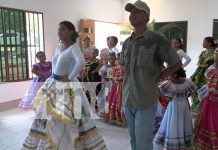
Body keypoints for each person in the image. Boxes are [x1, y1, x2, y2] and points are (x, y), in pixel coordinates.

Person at [22, 21, 106, 150]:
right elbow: (55, 64)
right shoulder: (59, 46)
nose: (59, 32)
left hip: (67, 86)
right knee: (48, 114)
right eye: (59, 29)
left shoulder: (74, 47)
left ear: (71, 32)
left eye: (63, 29)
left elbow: (81, 62)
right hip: (53, 83)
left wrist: (70, 77)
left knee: (66, 115)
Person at [120, 1, 182, 149]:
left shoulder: (157, 40)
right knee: (133, 139)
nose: (132, 15)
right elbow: (124, 68)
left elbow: (176, 63)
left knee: (144, 141)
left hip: (145, 101)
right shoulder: (127, 43)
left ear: (147, 17)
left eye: (137, 12)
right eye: (131, 12)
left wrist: (161, 75)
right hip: (128, 99)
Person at [153, 68, 196, 149]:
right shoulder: (184, 82)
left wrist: (165, 96)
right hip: (181, 105)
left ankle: (176, 142)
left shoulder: (175, 83)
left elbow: (159, 89)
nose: (168, 76)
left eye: (170, 74)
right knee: (178, 122)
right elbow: (190, 93)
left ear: (175, 75)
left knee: (175, 122)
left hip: (176, 106)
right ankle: (181, 143)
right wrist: (167, 97)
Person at [193, 48, 218, 149]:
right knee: (209, 123)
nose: (216, 57)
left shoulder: (211, 70)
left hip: (211, 102)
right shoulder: (211, 69)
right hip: (210, 102)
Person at [191, 36, 215, 116]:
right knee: (195, 88)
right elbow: (200, 64)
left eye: (204, 42)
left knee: (204, 91)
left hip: (208, 74)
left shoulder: (214, 53)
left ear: (209, 43)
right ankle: (196, 108)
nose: (203, 43)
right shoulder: (203, 52)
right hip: (199, 73)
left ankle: (203, 109)